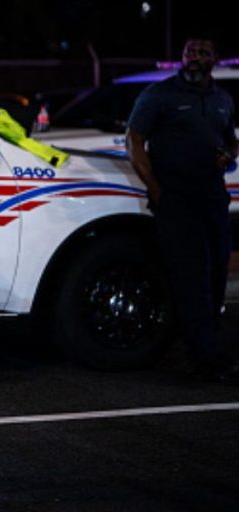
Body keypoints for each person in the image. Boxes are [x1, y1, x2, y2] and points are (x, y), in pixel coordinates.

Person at [126, 38, 239, 384]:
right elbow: (134, 140)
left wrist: (229, 154)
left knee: (217, 273)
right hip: (176, 199)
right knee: (192, 277)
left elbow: (230, 139)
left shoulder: (222, 99)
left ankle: (203, 348)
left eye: (203, 53)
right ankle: (204, 357)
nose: (194, 58)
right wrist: (156, 189)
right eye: (190, 52)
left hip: (213, 197)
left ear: (214, 59)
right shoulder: (159, 95)